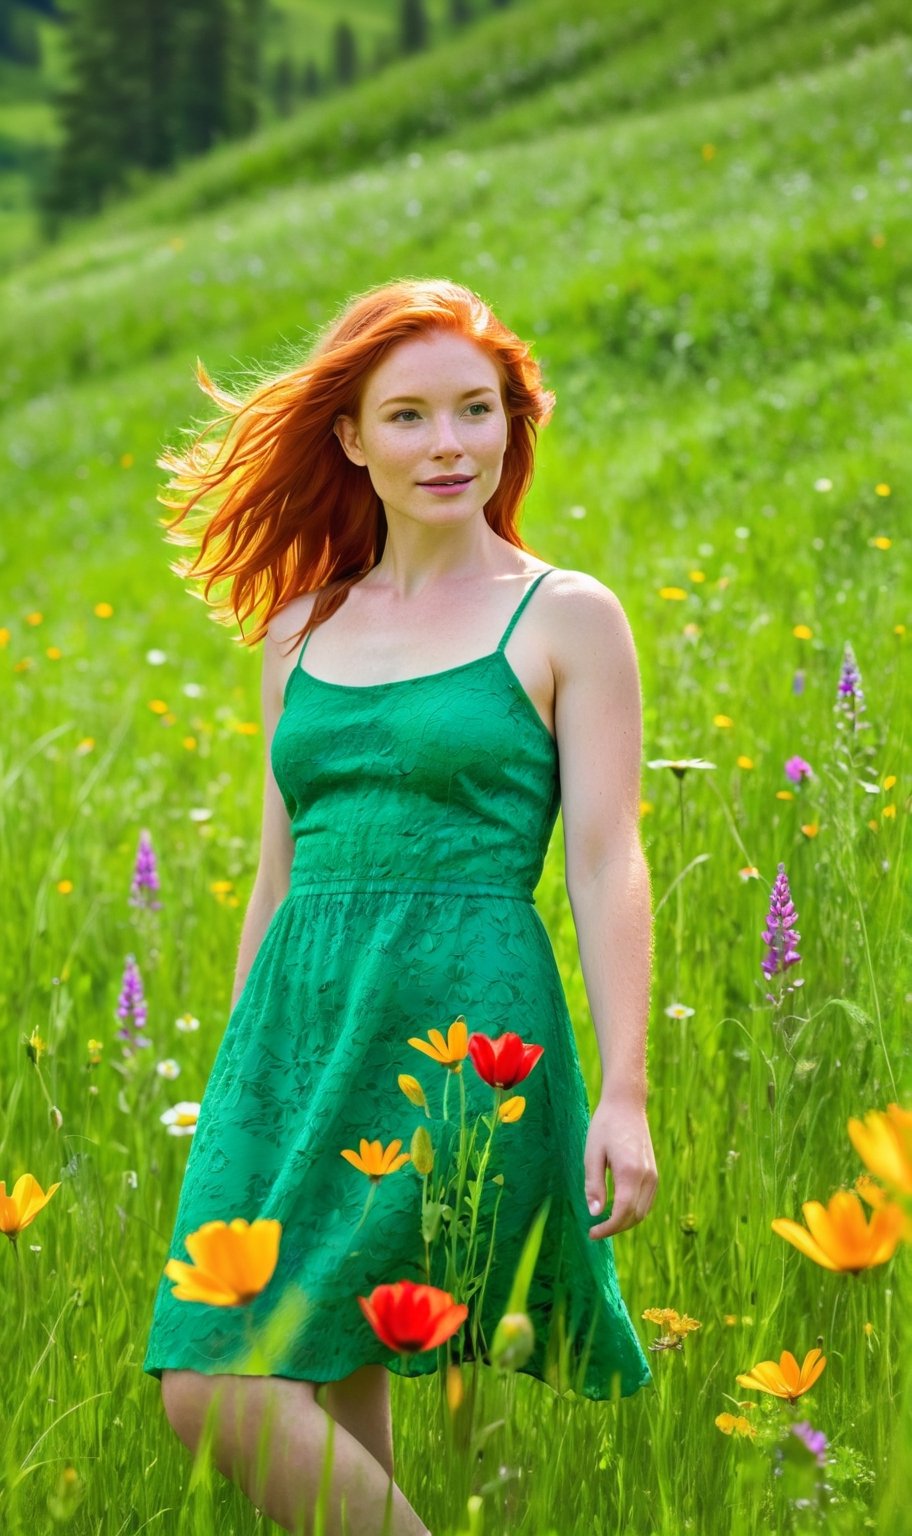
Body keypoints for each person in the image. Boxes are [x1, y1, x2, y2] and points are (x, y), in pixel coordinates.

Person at [142, 277, 658, 1536]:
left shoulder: (567, 617)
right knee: (289, 1370)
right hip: (297, 1030)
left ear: (511, 424)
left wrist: (627, 1091)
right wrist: (240, 1072)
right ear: (353, 439)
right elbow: (281, 868)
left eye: (476, 411)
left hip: (458, 1029)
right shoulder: (299, 629)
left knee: (223, 1387)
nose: (450, 445)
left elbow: (605, 863)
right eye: (412, 415)